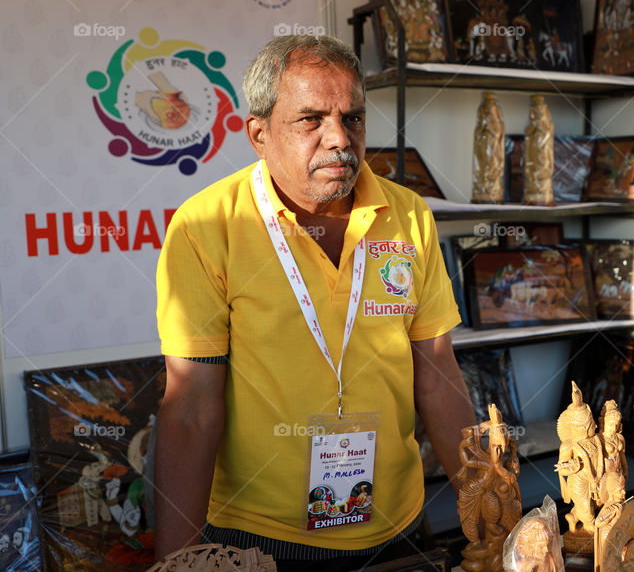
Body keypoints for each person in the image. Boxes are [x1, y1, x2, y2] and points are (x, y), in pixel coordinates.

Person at [154, 34, 475, 571]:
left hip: (400, 525)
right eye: (310, 120)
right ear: (259, 133)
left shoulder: (410, 214)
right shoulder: (206, 226)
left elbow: (438, 369)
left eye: (352, 118)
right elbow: (189, 406)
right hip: (259, 539)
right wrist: (175, 563)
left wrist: (491, 506)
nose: (340, 140)